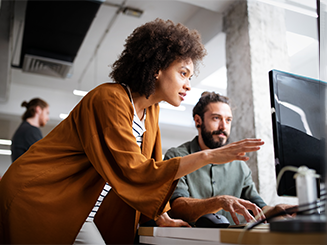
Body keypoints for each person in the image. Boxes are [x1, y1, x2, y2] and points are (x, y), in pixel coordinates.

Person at [0, 19, 264, 245]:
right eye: (183, 73)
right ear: (157, 68)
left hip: (80, 209)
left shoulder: (151, 111)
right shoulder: (109, 99)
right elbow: (135, 171)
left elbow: (152, 171)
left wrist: (164, 219)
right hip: (40, 196)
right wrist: (208, 157)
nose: (187, 85)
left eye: (190, 77)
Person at [165, 91, 293, 226]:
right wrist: (219, 201)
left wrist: (277, 210)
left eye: (228, 120)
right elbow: (176, 208)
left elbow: (258, 206)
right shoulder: (177, 157)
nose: (223, 127)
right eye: (216, 118)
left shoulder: (239, 164)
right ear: (198, 121)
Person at [11, 98, 49, 162]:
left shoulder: (27, 129)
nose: (48, 118)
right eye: (47, 113)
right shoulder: (29, 130)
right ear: (38, 109)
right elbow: (43, 156)